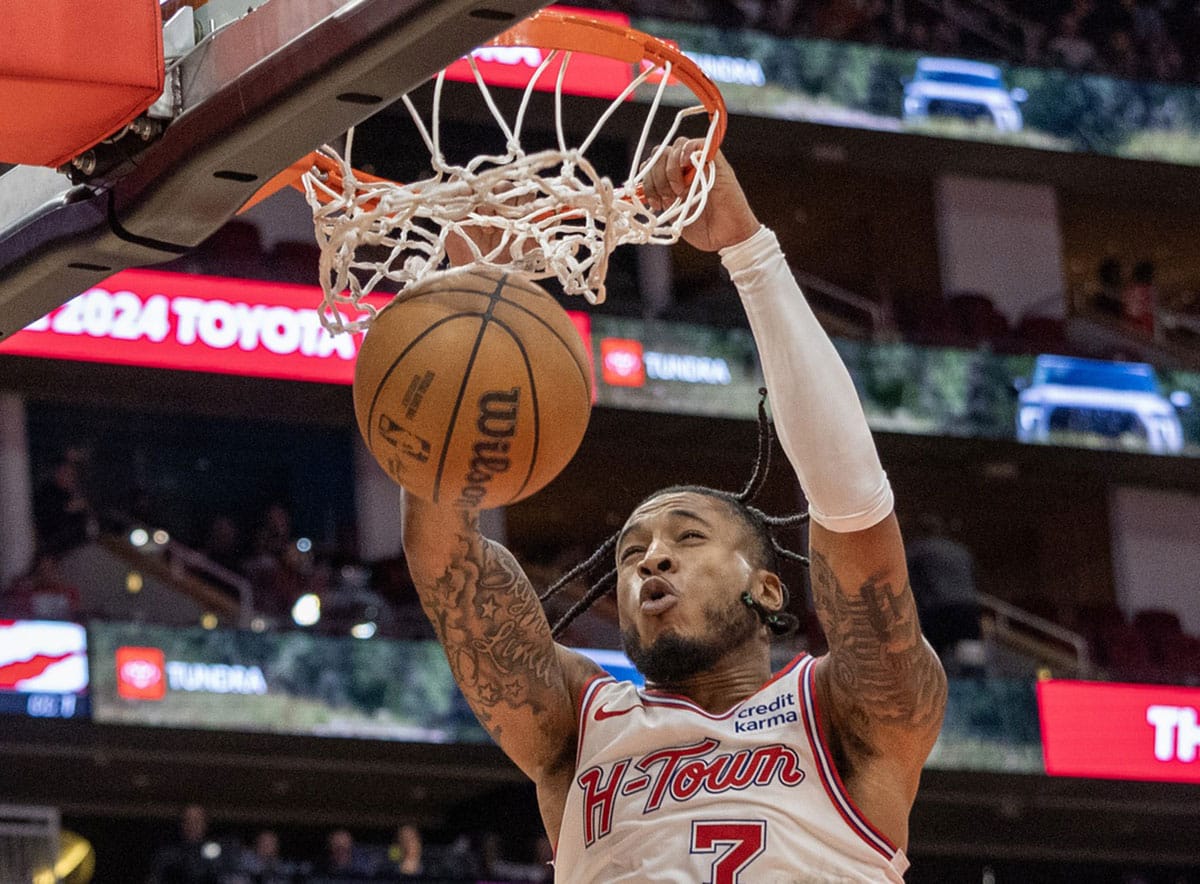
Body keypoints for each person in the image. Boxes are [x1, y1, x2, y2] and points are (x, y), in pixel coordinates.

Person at [404, 139, 947, 880]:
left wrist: (750, 255)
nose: (650, 559)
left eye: (685, 539)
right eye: (630, 553)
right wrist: (461, 300)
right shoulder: (579, 723)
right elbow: (447, 563)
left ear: (766, 586)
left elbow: (852, 505)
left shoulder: (843, 711)